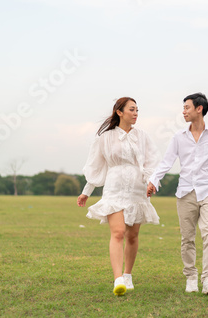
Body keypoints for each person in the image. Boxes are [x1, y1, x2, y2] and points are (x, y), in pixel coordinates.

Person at [77, 97, 159, 296]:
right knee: (118, 232)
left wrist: (152, 182)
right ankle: (118, 279)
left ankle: (128, 274)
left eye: (137, 110)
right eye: (132, 109)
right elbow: (98, 166)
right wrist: (87, 191)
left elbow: (152, 162)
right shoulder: (104, 138)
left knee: (132, 235)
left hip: (137, 189)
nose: (136, 113)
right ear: (119, 112)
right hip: (114, 188)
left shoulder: (144, 136)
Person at [147, 92, 208, 295]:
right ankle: (191, 276)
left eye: (187, 108)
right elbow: (166, 162)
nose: (183, 112)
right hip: (185, 193)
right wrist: (154, 180)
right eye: (183, 108)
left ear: (199, 109)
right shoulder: (178, 137)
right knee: (188, 238)